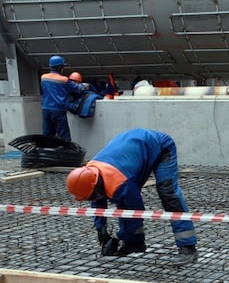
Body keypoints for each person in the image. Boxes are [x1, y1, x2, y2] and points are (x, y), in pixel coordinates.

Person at [65, 128, 198, 266]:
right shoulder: (91, 173)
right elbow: (97, 200)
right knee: (123, 203)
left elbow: (135, 213)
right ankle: (135, 244)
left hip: (161, 146)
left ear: (95, 185)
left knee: (168, 194)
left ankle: (188, 247)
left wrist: (118, 236)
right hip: (133, 153)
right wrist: (100, 227)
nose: (93, 199)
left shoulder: (120, 183)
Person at [40, 55, 85, 141]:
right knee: (64, 136)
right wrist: (83, 86)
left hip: (46, 109)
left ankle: (47, 152)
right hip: (58, 110)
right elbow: (77, 89)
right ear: (60, 67)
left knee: (47, 135)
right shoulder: (64, 80)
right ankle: (66, 153)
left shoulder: (44, 77)